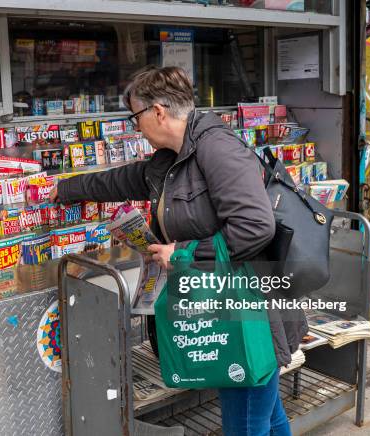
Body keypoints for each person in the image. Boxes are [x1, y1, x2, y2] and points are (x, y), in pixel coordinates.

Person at [50, 66, 307, 435]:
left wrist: (183, 253)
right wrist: (66, 189)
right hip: (227, 306)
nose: (135, 127)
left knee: (246, 420)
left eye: (135, 116)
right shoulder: (171, 158)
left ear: (157, 112)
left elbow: (255, 227)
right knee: (265, 414)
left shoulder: (217, 148)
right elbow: (123, 179)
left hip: (249, 311)